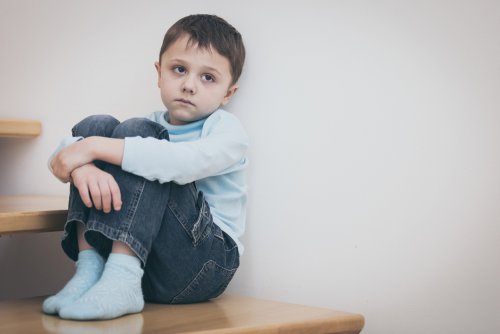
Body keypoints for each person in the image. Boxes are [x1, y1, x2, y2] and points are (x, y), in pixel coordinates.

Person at [43, 14, 248, 320]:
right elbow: (60, 159)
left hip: (204, 264)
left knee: (134, 138)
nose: (189, 85)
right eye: (179, 69)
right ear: (159, 73)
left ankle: (121, 278)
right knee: (98, 125)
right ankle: (91, 270)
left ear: (228, 93)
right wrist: (82, 167)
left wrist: (91, 148)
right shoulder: (148, 128)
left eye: (208, 77)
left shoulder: (226, 131)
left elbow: (180, 163)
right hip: (148, 264)